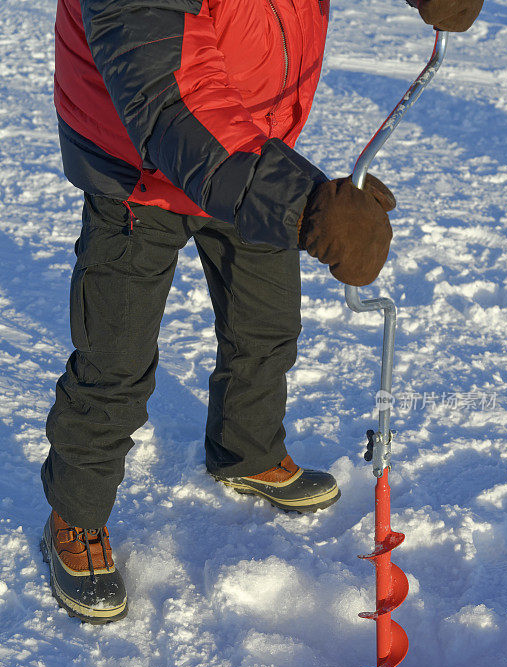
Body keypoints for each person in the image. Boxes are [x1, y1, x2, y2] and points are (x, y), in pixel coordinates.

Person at [40, 0, 484, 624]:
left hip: (254, 139)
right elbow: (167, 95)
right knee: (115, 360)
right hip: (138, 164)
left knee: (266, 324)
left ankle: (246, 454)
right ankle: (76, 516)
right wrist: (300, 204)